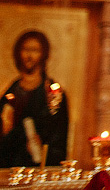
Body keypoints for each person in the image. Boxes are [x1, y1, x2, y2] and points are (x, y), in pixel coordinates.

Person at [0, 31, 68, 168]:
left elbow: (59, 137)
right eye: (26, 49)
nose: (29, 56)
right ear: (18, 53)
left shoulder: (54, 94)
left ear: (44, 54)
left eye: (35, 50)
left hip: (39, 169)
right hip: (9, 169)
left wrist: (42, 149)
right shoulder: (10, 94)